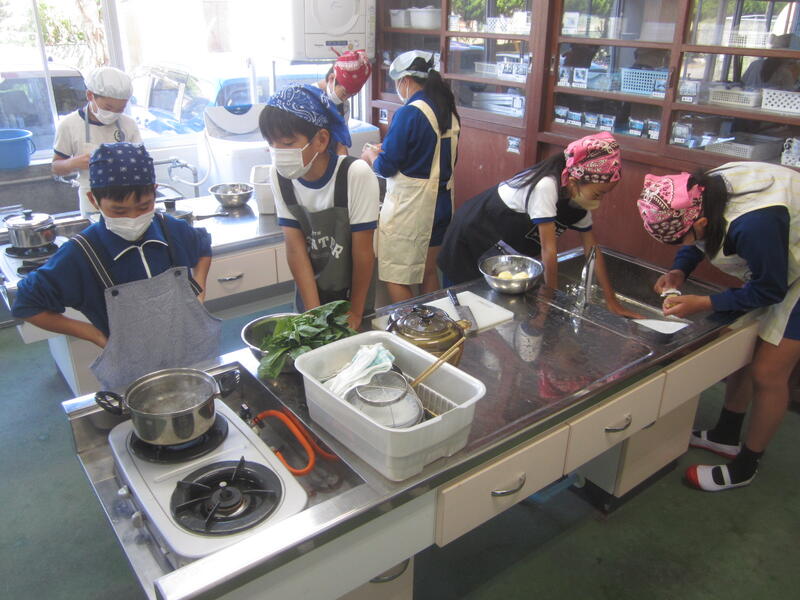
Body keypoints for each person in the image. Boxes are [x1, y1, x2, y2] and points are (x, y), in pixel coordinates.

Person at [636, 162, 800, 491]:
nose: (686, 242)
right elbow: (695, 241)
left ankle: (746, 465)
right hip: (775, 258)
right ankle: (726, 435)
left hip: (788, 272)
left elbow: (771, 289)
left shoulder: (754, 224)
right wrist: (679, 271)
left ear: (702, 222)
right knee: (746, 345)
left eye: (684, 237)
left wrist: (705, 303)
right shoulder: (699, 192)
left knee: (768, 373)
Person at [12, 142, 220, 392]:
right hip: (133, 375)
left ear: (155, 192)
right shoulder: (82, 253)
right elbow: (26, 304)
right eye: (119, 210)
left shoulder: (171, 229)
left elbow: (202, 246)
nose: (133, 218)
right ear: (94, 199)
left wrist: (199, 290)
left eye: (144, 207)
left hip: (194, 357)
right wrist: (95, 335)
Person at [437, 132, 638, 318]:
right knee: (461, 310)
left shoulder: (578, 200)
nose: (599, 201)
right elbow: (549, 250)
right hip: (470, 238)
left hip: (498, 252)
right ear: (574, 181)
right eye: (597, 194)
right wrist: (550, 301)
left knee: (488, 312)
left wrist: (611, 301)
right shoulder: (546, 186)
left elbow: (592, 250)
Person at [260, 84, 379, 330]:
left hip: (353, 295)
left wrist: (355, 313)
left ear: (321, 140)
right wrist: (315, 315)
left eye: (287, 142)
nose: (278, 153)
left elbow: (363, 252)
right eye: (271, 143)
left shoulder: (354, 174)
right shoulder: (280, 177)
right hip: (309, 293)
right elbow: (295, 249)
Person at [361, 50, 460, 304]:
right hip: (442, 206)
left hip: (412, 209)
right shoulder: (447, 111)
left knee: (396, 278)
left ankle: (413, 326)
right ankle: (435, 324)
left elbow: (386, 167)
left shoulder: (410, 113)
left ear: (405, 80)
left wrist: (371, 156)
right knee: (428, 272)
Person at [51, 66, 142, 218]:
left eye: (120, 108)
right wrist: (74, 163)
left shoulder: (128, 124)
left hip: (128, 198)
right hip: (91, 199)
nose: (113, 113)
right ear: (90, 95)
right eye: (108, 107)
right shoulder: (69, 125)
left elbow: (141, 161)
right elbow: (56, 167)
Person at [315, 50, 372, 155]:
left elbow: (340, 144)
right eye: (344, 93)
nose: (345, 99)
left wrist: (346, 163)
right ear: (331, 78)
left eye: (351, 96)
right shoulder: (308, 98)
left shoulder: (344, 106)